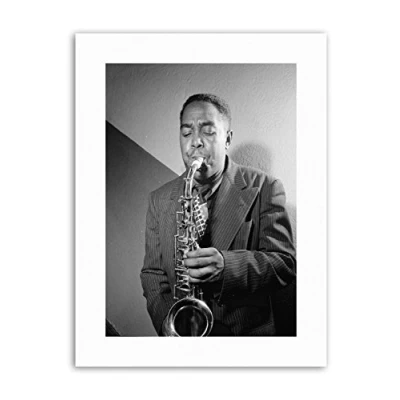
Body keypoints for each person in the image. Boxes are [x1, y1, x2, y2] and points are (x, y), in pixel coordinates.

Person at [140, 93, 296, 336]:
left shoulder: (266, 187)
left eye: (208, 131)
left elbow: (284, 264)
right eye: (186, 133)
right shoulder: (158, 199)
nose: (195, 142)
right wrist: (170, 326)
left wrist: (226, 267)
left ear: (227, 139)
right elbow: (152, 274)